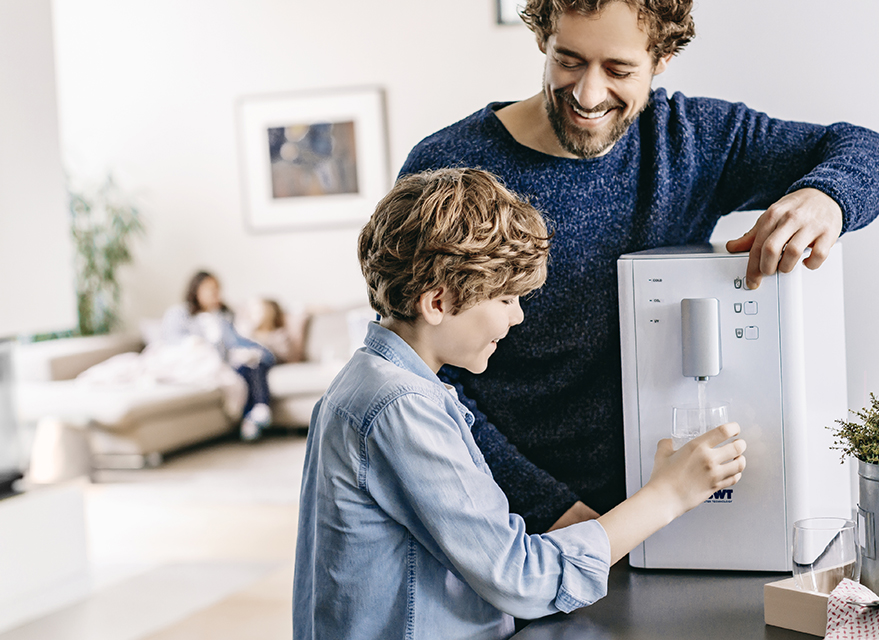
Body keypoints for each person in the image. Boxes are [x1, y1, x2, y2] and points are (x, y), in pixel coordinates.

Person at [398, 0, 879, 534]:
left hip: (672, 508)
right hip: (506, 524)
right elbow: (424, 377)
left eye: (618, 70)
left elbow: (872, 150)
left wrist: (825, 197)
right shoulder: (448, 170)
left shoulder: (691, 140)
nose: (588, 94)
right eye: (567, 60)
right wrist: (551, 510)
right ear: (542, 40)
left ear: (661, 57)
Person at [293, 167, 746, 639]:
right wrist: (668, 494)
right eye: (506, 298)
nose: (517, 317)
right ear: (438, 303)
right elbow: (519, 577)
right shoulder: (399, 405)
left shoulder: (366, 382)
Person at [161, 271, 276, 440]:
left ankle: (255, 414)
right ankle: (255, 413)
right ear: (196, 290)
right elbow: (172, 341)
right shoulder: (179, 314)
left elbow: (236, 342)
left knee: (252, 364)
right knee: (241, 371)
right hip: (195, 361)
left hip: (224, 363)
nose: (216, 294)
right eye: (211, 289)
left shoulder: (222, 317)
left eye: (218, 289)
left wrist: (262, 352)